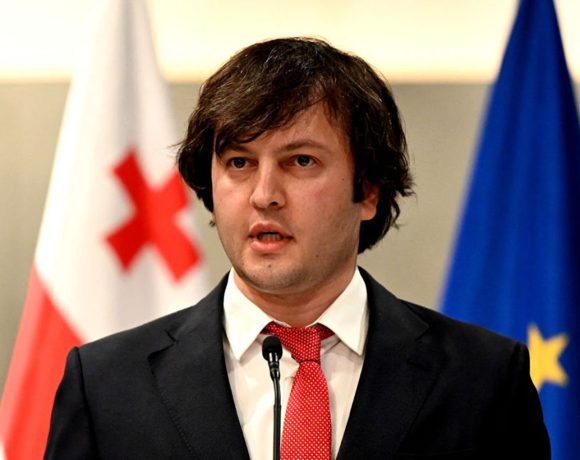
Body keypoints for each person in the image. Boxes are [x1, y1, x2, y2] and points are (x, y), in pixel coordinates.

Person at [45, 37, 550, 459]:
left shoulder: (484, 381)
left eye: (301, 161)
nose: (264, 194)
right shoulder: (107, 386)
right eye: (239, 163)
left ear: (368, 191)